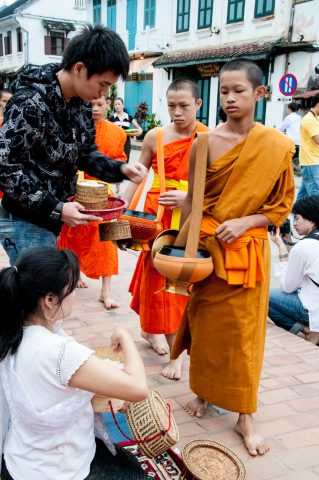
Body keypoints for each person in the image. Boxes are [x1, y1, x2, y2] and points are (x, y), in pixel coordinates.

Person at [171, 60, 295, 456]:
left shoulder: (276, 146)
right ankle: (204, 395)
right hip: (208, 251)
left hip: (248, 255)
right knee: (205, 328)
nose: (229, 99)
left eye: (238, 91)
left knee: (244, 337)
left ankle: (245, 416)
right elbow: (193, 199)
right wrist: (179, 249)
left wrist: (245, 222)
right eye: (224, 91)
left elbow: (280, 206)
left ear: (260, 94)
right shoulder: (204, 142)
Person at [0, 25, 146, 266]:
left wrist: (120, 170)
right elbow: (6, 168)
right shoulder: (30, 102)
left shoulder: (80, 103)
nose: (103, 94)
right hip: (23, 218)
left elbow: (85, 154)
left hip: (53, 215)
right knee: (43, 296)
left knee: (44, 294)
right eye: (103, 83)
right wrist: (56, 207)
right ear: (79, 68)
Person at [0, 247, 148, 479]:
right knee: (131, 470)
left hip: (20, 458)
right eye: (72, 287)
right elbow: (138, 388)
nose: (76, 294)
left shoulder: (13, 332)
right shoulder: (59, 352)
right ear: (50, 299)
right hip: (58, 469)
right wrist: (125, 336)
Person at [125, 78, 209, 380]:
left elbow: (217, 187)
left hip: (191, 217)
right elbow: (138, 175)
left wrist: (188, 196)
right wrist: (118, 211)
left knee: (183, 282)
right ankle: (169, 346)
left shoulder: (210, 138)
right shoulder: (154, 136)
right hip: (157, 216)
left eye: (184, 106)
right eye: (171, 105)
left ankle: (164, 338)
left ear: (198, 104)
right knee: (157, 282)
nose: (176, 112)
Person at [58, 95, 127, 308]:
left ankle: (106, 291)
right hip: (77, 191)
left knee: (108, 242)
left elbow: (120, 160)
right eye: (90, 105)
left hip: (104, 195)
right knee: (72, 236)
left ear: (108, 104)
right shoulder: (72, 126)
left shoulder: (118, 132)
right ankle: (74, 275)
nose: (95, 109)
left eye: (99, 104)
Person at [268, 196, 319, 345]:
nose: (294, 223)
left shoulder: (304, 247)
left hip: (313, 308)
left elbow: (287, 286)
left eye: (297, 218)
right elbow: (305, 261)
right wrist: (288, 239)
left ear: (311, 220)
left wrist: (282, 249)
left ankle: (308, 331)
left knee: (265, 296)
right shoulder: (309, 244)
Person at [297, 93, 319, 200]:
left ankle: (295, 215)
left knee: (303, 196)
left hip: (312, 162)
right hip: (311, 162)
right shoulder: (309, 119)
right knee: (316, 196)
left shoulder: (316, 118)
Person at [279, 101, 301, 175]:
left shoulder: (288, 118)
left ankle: (295, 170)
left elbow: (281, 129)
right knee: (294, 158)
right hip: (299, 142)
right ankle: (296, 169)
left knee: (286, 158)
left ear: (289, 109)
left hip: (291, 142)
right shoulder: (299, 117)